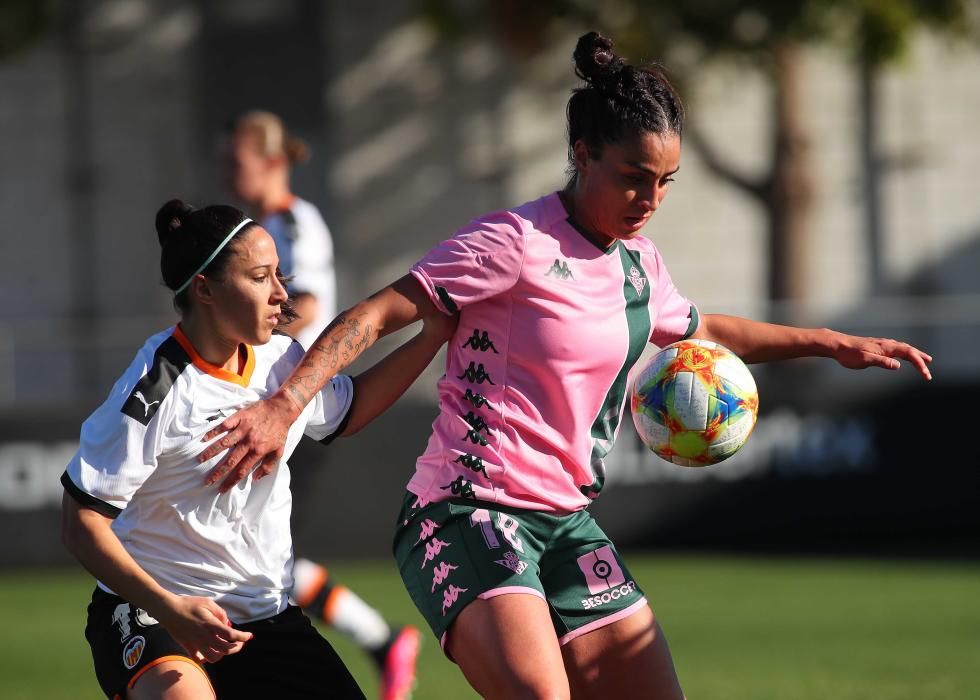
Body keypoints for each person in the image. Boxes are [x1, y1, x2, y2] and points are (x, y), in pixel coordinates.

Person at [196, 32, 934, 700]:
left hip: (568, 524)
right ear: (583, 153)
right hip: (463, 514)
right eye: (634, 176)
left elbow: (705, 329)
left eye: (665, 181)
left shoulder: (641, 266)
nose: (650, 199)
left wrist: (831, 342)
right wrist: (285, 403)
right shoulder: (511, 242)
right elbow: (375, 314)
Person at [60, 200, 454, 699]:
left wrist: (432, 337)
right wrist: (169, 607)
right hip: (154, 615)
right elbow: (81, 523)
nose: (281, 294)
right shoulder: (154, 388)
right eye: (260, 277)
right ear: (205, 289)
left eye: (279, 275)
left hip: (262, 618)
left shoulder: (279, 357)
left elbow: (348, 411)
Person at [225, 110, 423, 700]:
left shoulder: (293, 222)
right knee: (256, 555)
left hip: (297, 407)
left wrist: (244, 335)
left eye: (237, 160)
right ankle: (383, 642)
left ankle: (381, 641)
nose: (230, 173)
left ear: (272, 160)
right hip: (276, 403)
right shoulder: (264, 227)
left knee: (259, 561)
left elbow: (307, 304)